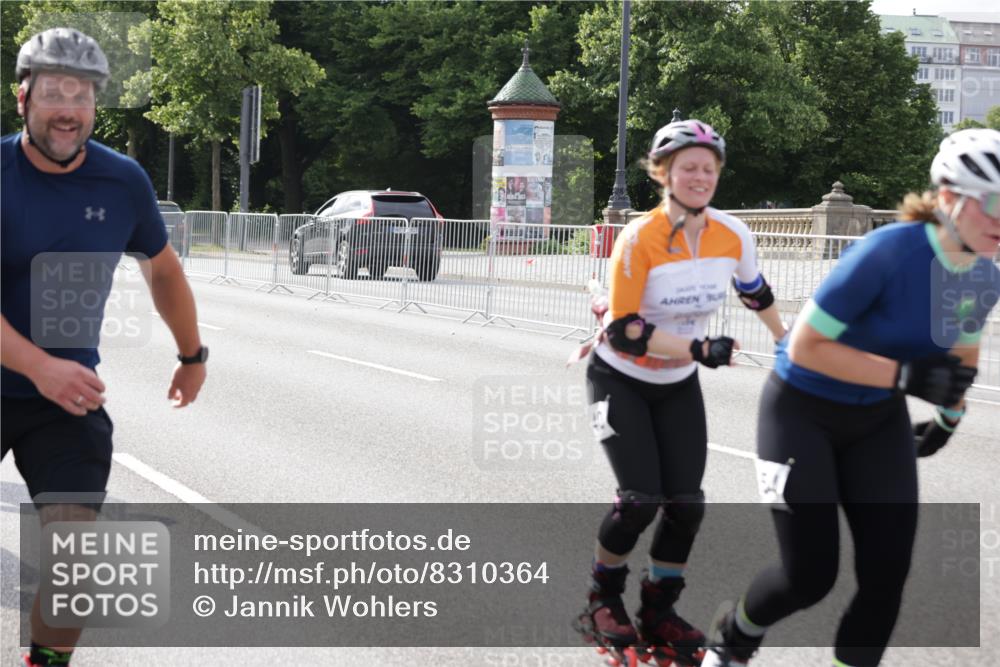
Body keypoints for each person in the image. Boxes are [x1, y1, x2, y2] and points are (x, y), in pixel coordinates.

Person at [700, 129, 1000, 667]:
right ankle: (734, 636)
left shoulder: (981, 274)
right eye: (995, 203)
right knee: (809, 577)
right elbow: (806, 346)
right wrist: (906, 376)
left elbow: (960, 359)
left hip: (876, 420)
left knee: (886, 576)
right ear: (950, 196)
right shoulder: (888, 251)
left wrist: (950, 415)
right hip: (801, 411)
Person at [1, 28, 208, 667]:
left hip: (62, 401)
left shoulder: (121, 181)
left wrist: (192, 355)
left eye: (83, 96)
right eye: (55, 93)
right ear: (22, 99)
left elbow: (163, 268)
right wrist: (39, 366)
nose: (69, 109)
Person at [575, 119, 787, 665]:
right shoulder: (638, 237)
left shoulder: (732, 234)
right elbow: (623, 328)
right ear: (663, 173)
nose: (699, 177)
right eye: (688, 167)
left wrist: (786, 342)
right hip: (619, 377)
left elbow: (754, 291)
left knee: (687, 505)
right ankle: (603, 598)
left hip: (675, 385)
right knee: (639, 500)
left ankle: (658, 609)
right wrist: (697, 349)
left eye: (708, 168)